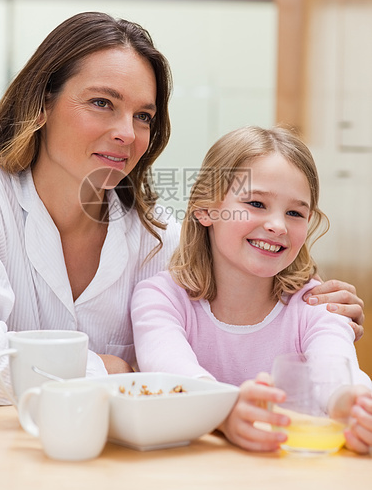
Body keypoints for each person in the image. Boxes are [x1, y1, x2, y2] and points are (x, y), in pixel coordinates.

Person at [0, 13, 365, 407]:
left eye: (143, 116)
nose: (126, 133)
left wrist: (326, 316)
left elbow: (236, 313)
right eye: (102, 102)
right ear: (41, 104)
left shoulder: (159, 240)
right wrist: (110, 368)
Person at [131, 126, 372, 454]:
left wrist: (352, 405)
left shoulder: (315, 304)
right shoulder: (161, 299)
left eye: (295, 212)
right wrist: (225, 411)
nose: (278, 225)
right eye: (257, 203)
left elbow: (336, 366)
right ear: (206, 209)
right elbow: (170, 369)